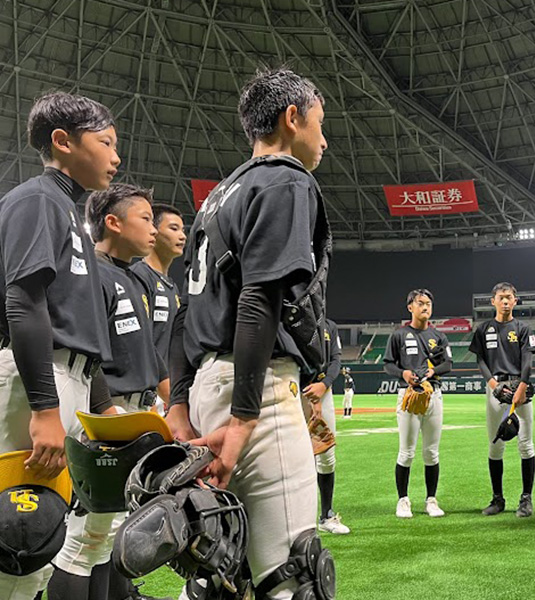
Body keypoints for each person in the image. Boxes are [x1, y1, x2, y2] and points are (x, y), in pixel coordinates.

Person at [167, 67, 334, 599]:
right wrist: (243, 421)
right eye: (320, 124)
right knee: (293, 576)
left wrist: (177, 404)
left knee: (219, 577)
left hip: (203, 391)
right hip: (253, 392)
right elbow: (261, 298)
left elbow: (182, 310)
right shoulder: (285, 179)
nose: (324, 139)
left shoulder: (217, 197)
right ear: (293, 118)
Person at [0, 91, 117, 600]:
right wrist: (47, 409)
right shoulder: (37, 199)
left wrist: (102, 406)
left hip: (62, 381)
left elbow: (78, 327)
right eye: (106, 142)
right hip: (35, 384)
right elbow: (23, 302)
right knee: (16, 545)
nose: (116, 157)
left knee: (42, 546)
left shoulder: (70, 212)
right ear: (63, 142)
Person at [48, 183, 167, 600]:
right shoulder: (93, 274)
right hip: (106, 410)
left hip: (130, 411)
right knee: (82, 538)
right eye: (146, 219)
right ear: (113, 223)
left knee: (105, 535)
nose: (153, 229)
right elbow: (87, 349)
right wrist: (103, 411)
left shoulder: (132, 277)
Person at [469, 282, 535, 518]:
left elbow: (528, 360)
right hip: (495, 388)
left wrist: (522, 386)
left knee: (525, 444)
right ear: (493, 301)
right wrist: (493, 385)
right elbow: (481, 360)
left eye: (509, 297)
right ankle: (497, 499)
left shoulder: (523, 328)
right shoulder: (483, 328)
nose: (505, 301)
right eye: (501, 297)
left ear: (515, 300)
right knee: (495, 444)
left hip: (520, 387)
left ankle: (526, 499)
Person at [384, 289, 452, 518]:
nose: (425, 307)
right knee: (406, 452)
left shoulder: (439, 336)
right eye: (420, 303)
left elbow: (448, 365)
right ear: (410, 307)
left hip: (434, 395)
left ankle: (431, 500)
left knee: (432, 452)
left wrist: (432, 370)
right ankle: (403, 500)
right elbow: (388, 365)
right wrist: (403, 373)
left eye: (428, 304)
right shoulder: (399, 335)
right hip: (408, 395)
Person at [131, 203, 185, 413]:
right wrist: (163, 393)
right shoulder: (138, 276)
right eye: (173, 229)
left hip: (166, 393)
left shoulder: (173, 287)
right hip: (144, 396)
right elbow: (139, 341)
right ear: (153, 232)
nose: (182, 236)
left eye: (182, 230)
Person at [304, 318, 350, 535]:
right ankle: (300, 519)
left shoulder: (330, 326)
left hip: (324, 390)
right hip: (295, 391)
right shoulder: (289, 318)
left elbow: (335, 359)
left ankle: (326, 514)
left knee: (326, 455)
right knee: (294, 456)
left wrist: (323, 385)